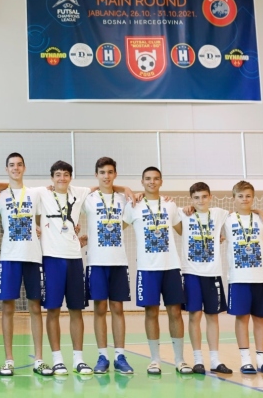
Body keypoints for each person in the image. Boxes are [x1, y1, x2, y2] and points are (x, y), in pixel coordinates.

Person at [0, 153, 51, 376]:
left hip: (33, 257)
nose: (15, 168)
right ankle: (9, 360)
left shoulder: (36, 193)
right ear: (6, 169)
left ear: (24, 167)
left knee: (35, 308)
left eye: (19, 165)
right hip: (9, 258)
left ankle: (39, 359)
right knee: (7, 308)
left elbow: (45, 219)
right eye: (11, 165)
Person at [123, 167, 191, 375]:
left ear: (161, 181)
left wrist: (190, 209)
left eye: (155, 179)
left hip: (171, 266)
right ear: (142, 182)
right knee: (150, 312)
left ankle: (180, 360)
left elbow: (183, 230)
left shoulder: (170, 204)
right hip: (147, 268)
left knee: (175, 312)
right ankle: (155, 360)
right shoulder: (133, 205)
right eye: (148, 179)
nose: (152, 182)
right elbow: (116, 228)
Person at [35, 160, 93, 375]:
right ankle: (57, 359)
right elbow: (17, 190)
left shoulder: (79, 192)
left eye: (66, 174)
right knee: (53, 310)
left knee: (76, 310)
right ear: (52, 177)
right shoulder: (42, 193)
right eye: (58, 174)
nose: (62, 178)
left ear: (71, 177)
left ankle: (78, 359)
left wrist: (127, 189)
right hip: (51, 259)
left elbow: (102, 186)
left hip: (75, 258)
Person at [80, 157, 134, 374]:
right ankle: (102, 356)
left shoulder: (124, 200)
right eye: (102, 172)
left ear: (115, 174)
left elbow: (128, 220)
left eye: (110, 172)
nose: (106, 176)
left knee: (118, 309)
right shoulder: (88, 199)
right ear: (96, 175)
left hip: (118, 261)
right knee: (100, 309)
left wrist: (125, 189)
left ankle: (120, 356)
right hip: (96, 262)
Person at [173, 182, 233, 375]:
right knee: (194, 316)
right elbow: (168, 212)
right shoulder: (184, 214)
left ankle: (215, 360)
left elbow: (241, 213)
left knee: (213, 316)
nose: (201, 201)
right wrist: (184, 208)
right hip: (191, 272)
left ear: (210, 197)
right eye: (196, 197)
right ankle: (198, 360)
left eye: (204, 196)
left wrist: (258, 210)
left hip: (212, 273)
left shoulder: (218, 213)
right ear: (191, 199)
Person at [222, 181, 263, 375]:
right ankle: (246, 360)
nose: (244, 199)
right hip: (238, 278)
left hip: (261, 278)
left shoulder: (262, 220)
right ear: (233, 198)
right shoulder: (226, 220)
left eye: (248, 196)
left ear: (253, 198)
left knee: (260, 318)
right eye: (240, 196)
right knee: (242, 318)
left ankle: (262, 360)